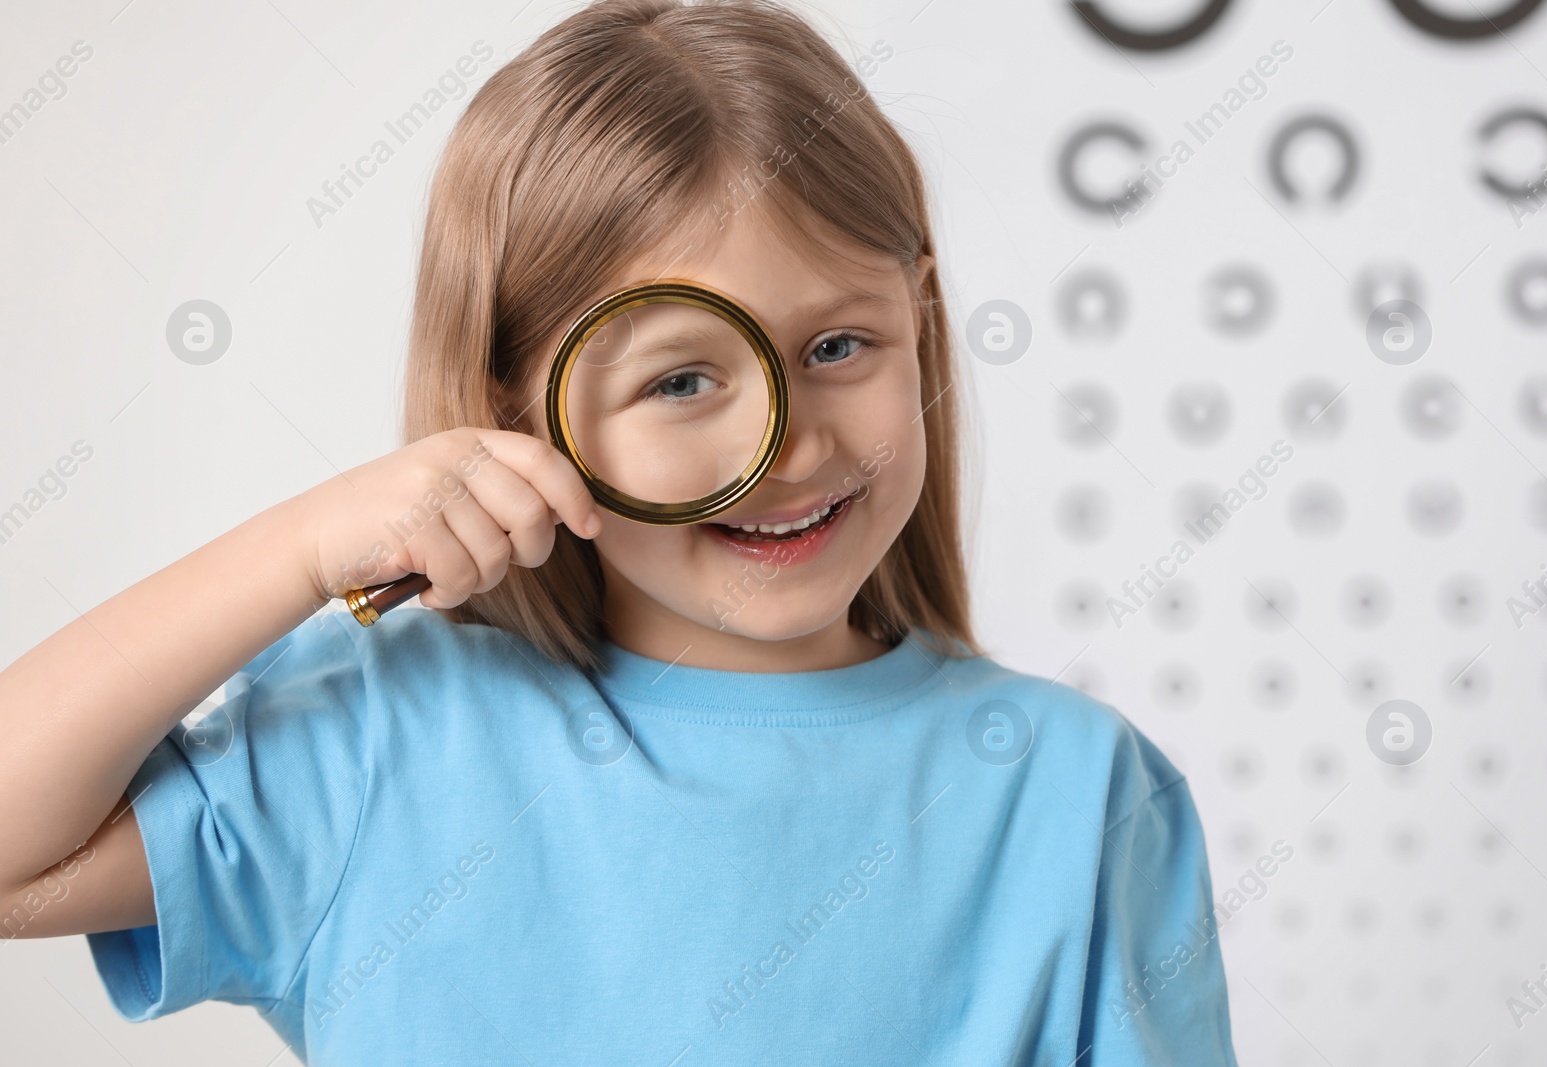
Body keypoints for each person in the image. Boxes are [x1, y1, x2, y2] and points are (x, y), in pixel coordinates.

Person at [0, 0, 1238, 1062]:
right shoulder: (384, 731)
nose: (789, 440)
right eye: (681, 380)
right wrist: (300, 549)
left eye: (837, 346)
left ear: (919, 318)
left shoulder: (1074, 791)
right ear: (507, 416)